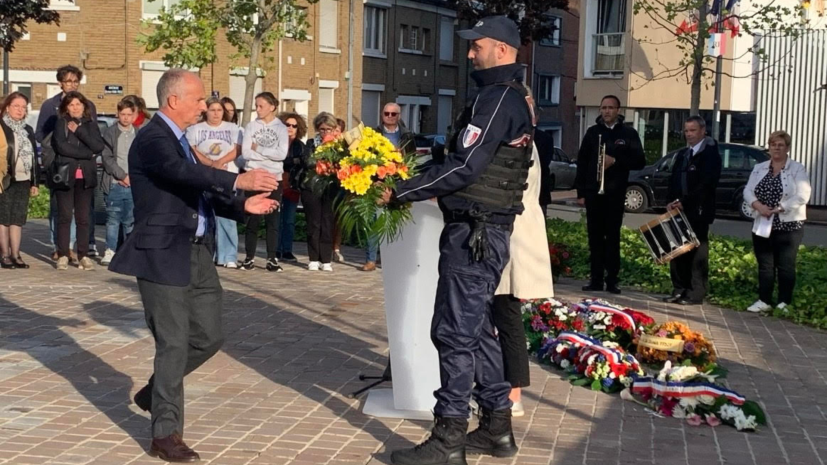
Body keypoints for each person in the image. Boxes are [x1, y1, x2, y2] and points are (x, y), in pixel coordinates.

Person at [381, 16, 534, 464]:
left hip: (475, 235)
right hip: (482, 231)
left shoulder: (499, 98)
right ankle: (496, 428)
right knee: (478, 333)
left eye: (477, 46)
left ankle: (448, 440)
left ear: (502, 50)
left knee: (452, 333)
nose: (470, 53)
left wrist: (402, 191)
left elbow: (465, 166)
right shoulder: (507, 95)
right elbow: (459, 160)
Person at [107, 69, 279, 462]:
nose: (205, 106)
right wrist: (238, 182)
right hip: (162, 253)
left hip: (199, 252)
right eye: (199, 99)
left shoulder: (182, 140)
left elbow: (196, 189)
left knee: (210, 336)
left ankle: (154, 392)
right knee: (173, 342)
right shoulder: (153, 139)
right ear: (174, 101)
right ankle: (165, 433)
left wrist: (240, 205)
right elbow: (183, 173)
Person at [492, 133, 553, 418]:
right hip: (513, 231)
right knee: (504, 315)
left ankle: (513, 393)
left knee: (506, 314)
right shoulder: (523, 139)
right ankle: (505, 390)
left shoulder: (517, 141)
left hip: (511, 232)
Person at [575, 95, 645, 294]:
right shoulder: (592, 133)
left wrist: (616, 161)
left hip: (615, 193)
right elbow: (582, 163)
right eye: (604, 107)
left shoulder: (629, 133)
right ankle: (595, 279)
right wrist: (581, 192)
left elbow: (639, 161)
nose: (607, 111)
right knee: (594, 238)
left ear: (618, 110)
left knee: (612, 238)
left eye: (611, 108)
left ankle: (612, 280)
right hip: (593, 193)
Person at [743, 130, 811, 313]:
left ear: (787, 148)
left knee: (785, 265)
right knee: (765, 264)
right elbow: (748, 191)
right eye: (773, 144)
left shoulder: (797, 168)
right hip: (763, 222)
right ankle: (764, 300)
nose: (777, 148)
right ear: (769, 147)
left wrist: (780, 207)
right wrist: (758, 206)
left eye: (781, 145)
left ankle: (784, 302)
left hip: (788, 224)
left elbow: (803, 194)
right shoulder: (760, 168)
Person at [36, 65, 97, 262]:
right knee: (59, 208)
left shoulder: (87, 105)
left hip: (82, 165)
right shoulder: (49, 105)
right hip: (58, 161)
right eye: (68, 81)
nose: (72, 85)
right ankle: (59, 246)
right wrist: (57, 140)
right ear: (60, 83)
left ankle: (78, 248)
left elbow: (93, 136)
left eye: (75, 81)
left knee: (82, 211)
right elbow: (40, 134)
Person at [663, 116, 722, 305]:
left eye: (693, 130)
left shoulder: (710, 154)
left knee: (696, 254)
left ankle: (695, 293)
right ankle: (679, 289)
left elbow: (707, 184)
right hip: (678, 209)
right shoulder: (682, 154)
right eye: (686, 131)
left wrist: (685, 202)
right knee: (677, 250)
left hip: (698, 210)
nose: (689, 134)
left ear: (703, 131)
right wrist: (670, 201)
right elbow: (673, 179)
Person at [52, 91, 105, 271]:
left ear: (84, 106)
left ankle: (83, 255)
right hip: (66, 175)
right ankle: (63, 254)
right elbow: (61, 147)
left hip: (86, 177)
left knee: (83, 218)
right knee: (65, 217)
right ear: (66, 107)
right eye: (71, 104)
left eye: (78, 104)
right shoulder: (61, 123)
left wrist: (80, 130)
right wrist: (86, 154)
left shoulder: (90, 125)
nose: (75, 107)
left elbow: (98, 146)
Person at [186, 97, 242, 269]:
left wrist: (220, 162)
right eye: (212, 110)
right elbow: (192, 149)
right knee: (207, 217)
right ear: (206, 111)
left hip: (227, 176)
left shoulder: (233, 128)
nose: (216, 113)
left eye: (219, 110)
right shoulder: (196, 129)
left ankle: (229, 255)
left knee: (227, 217)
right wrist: (210, 164)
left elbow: (237, 149)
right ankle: (210, 254)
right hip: (204, 176)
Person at [361, 102, 417, 272]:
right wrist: (373, 180)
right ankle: (371, 259)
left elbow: (412, 159)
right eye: (387, 113)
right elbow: (364, 158)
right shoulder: (373, 135)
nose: (390, 117)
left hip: (398, 183)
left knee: (394, 221)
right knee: (374, 220)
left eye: (393, 114)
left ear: (399, 116)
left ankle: (392, 258)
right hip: (378, 181)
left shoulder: (407, 136)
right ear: (382, 115)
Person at [239, 92, 288, 272]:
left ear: (272, 107)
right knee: (253, 219)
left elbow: (281, 154)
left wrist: (258, 147)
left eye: (261, 106)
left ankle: (272, 258)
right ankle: (249, 257)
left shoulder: (281, 128)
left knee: (272, 220)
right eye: (256, 106)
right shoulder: (251, 126)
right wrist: (268, 154)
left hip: (274, 178)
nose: (258, 109)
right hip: (254, 176)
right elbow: (245, 153)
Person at [0, 92, 40, 269]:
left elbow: (34, 158)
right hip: (5, 178)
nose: (20, 110)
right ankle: (5, 255)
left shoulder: (28, 130)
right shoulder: (2, 127)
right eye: (16, 106)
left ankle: (16, 254)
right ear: (7, 107)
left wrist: (35, 182)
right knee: (3, 218)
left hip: (23, 179)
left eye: (23, 107)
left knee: (17, 219)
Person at [100, 97, 138, 265]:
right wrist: (121, 175)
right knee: (113, 218)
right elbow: (107, 157)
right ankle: (110, 249)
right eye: (122, 114)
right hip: (115, 183)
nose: (125, 118)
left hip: (134, 184)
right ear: (118, 114)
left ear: (134, 115)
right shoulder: (110, 132)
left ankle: (128, 251)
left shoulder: (138, 133)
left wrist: (133, 178)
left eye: (129, 115)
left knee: (130, 220)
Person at [302, 112, 338, 272]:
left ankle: (326, 259)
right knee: (314, 223)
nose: (325, 133)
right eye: (322, 129)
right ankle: (313, 258)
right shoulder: (311, 143)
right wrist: (319, 156)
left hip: (330, 188)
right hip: (312, 187)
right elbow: (307, 162)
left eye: (328, 129)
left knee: (327, 222)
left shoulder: (339, 145)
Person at [275, 112, 307, 262]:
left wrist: (290, 162)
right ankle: (275, 249)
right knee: (275, 218)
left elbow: (303, 164)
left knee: (288, 220)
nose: (291, 128)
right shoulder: (275, 142)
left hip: (292, 186)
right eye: (288, 125)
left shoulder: (300, 147)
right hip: (275, 183)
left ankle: (286, 250)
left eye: (294, 126)